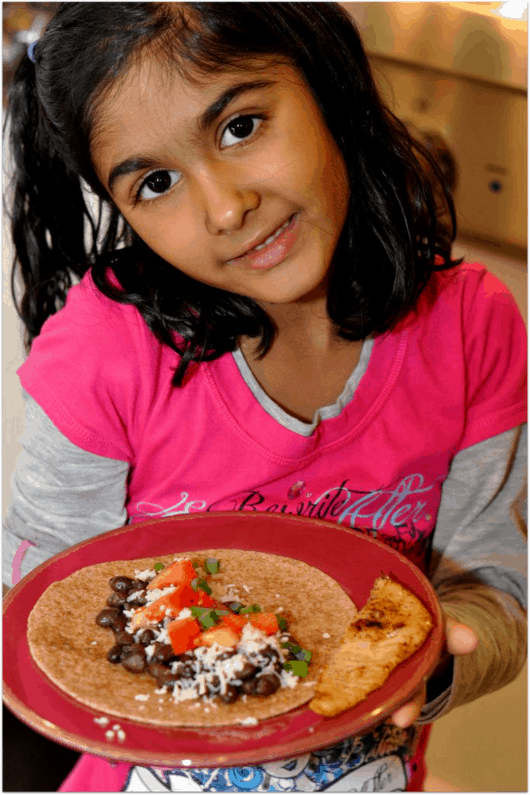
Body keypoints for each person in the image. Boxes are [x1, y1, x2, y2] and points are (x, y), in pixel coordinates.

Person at [3, 2, 526, 792]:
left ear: (325, 81)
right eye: (156, 182)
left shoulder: (471, 327)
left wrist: (427, 668)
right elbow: (42, 610)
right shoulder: (104, 353)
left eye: (241, 126)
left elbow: (495, 586)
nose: (225, 208)